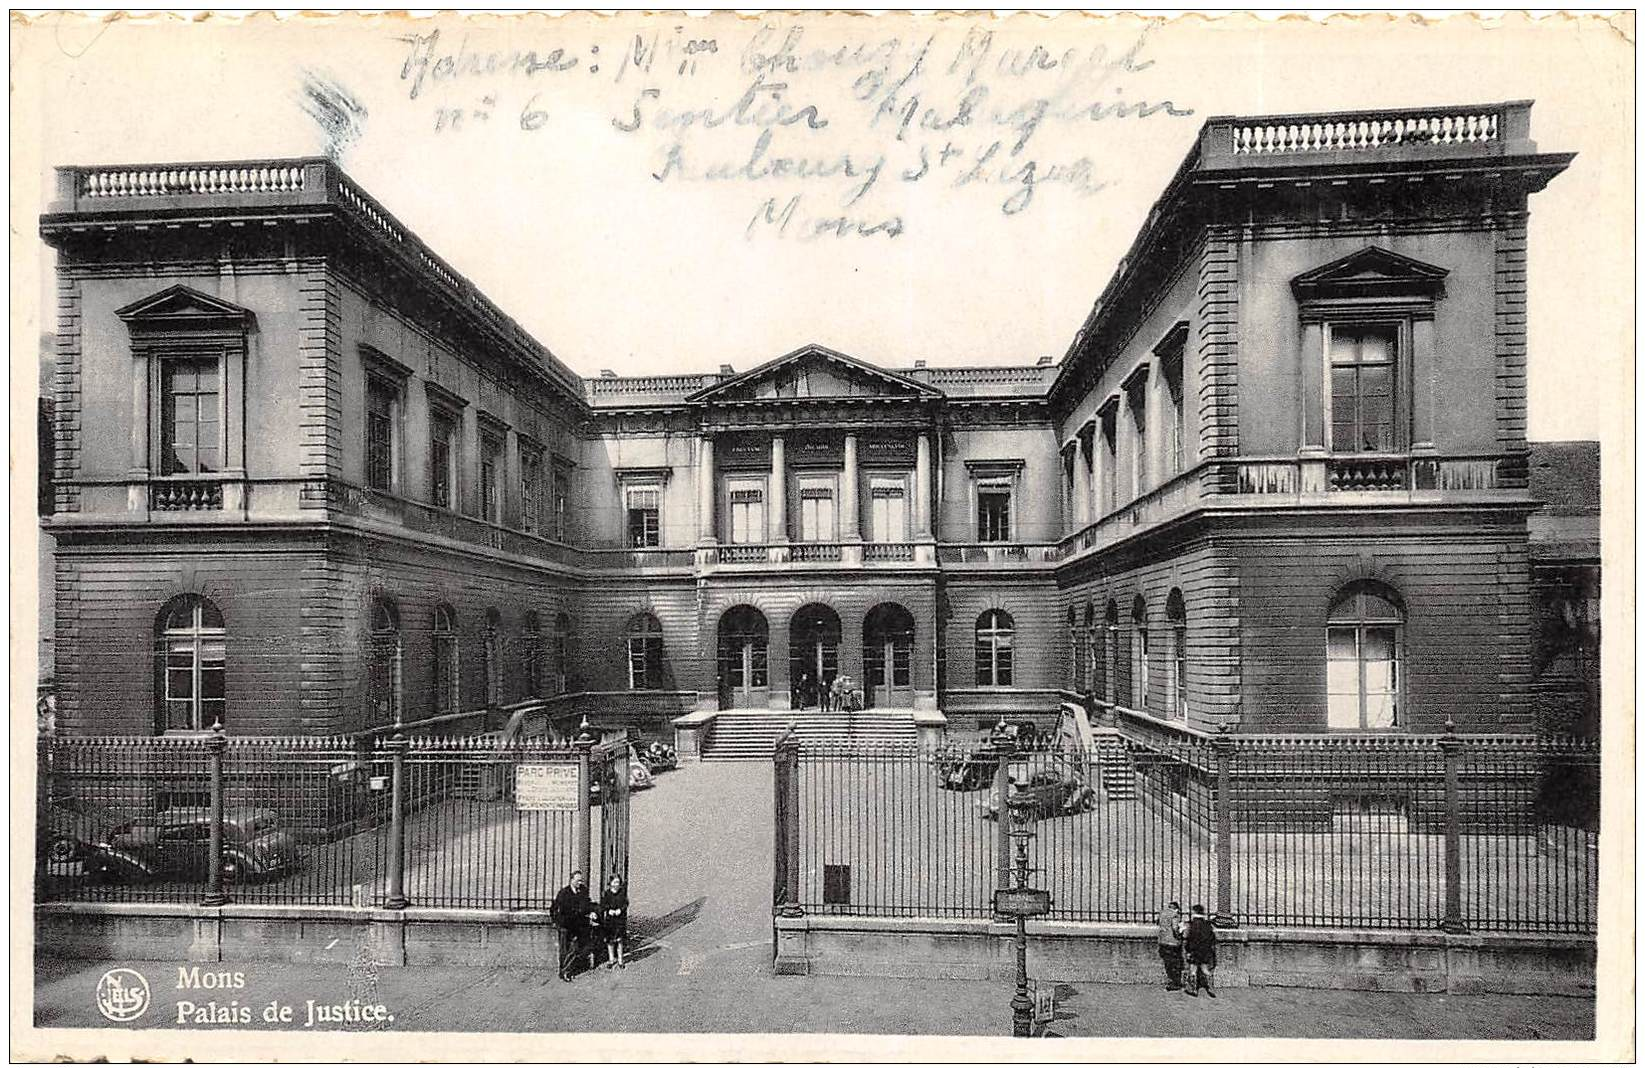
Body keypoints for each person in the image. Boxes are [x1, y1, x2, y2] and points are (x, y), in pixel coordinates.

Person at [550, 870, 596, 982]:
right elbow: (554, 909)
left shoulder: (583, 891)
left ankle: (565, 971)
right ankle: (564, 972)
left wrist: (591, 912)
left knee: (575, 948)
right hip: (565, 925)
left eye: (581, 880)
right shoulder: (564, 893)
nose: (580, 883)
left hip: (577, 925)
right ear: (571, 880)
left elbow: (587, 904)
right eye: (577, 880)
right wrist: (556, 922)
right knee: (564, 950)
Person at [1183, 903, 1218, 997]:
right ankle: (1211, 988)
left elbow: (1189, 939)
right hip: (1205, 950)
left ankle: (1193, 989)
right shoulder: (1208, 924)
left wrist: (1188, 950)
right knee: (1205, 970)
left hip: (1194, 950)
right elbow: (1212, 938)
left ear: (1194, 912)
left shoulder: (1192, 924)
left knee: (1193, 970)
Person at [600, 873, 630, 969]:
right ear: (611, 883)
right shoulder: (607, 893)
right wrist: (609, 910)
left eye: (618, 882)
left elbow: (626, 903)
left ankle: (620, 960)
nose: (617, 884)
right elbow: (603, 905)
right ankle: (611, 959)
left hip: (620, 920)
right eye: (615, 882)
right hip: (610, 920)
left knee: (620, 940)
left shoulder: (622, 893)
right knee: (610, 941)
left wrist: (620, 910)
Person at [1156, 901, 1184, 991]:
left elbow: (1158, 923)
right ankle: (1175, 983)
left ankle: (1170, 981)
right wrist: (1180, 932)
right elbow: (1175, 928)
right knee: (1175, 964)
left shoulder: (1162, 913)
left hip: (1162, 941)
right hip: (1172, 942)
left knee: (1167, 963)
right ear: (1176, 908)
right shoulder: (1174, 915)